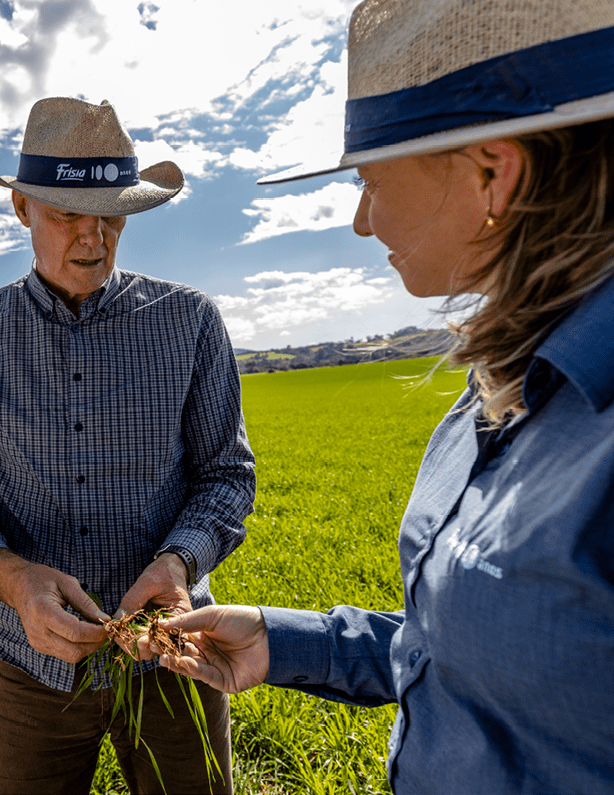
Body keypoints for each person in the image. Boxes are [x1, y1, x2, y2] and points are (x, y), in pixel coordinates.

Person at [139, 2, 614, 793]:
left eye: (369, 183)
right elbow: (476, 656)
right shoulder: (493, 389)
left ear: (492, 172)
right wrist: (281, 643)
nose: (361, 221)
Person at [0, 97, 256, 794]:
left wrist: (177, 561)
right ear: (21, 208)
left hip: (172, 651)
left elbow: (225, 475)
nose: (92, 237)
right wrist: (15, 582)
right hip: (27, 663)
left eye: (110, 215)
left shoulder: (188, 321)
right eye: (67, 214)